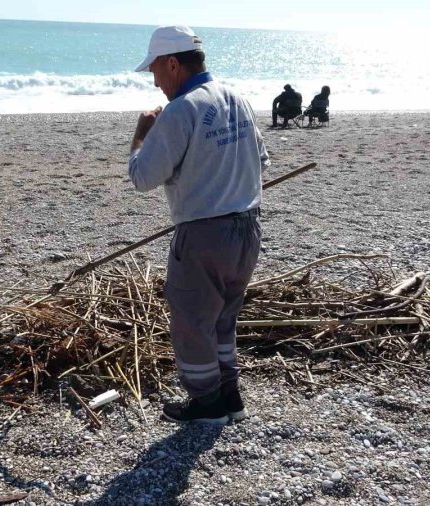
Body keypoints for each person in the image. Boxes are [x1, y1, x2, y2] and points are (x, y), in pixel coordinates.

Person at [129, 26, 270, 424]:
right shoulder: (236, 98)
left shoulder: (182, 108)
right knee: (224, 317)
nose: (155, 81)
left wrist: (142, 134)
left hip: (205, 233)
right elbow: (262, 160)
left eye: (155, 71)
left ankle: (207, 404)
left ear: (173, 63)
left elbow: (143, 178)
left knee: (192, 321)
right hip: (247, 229)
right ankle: (230, 397)